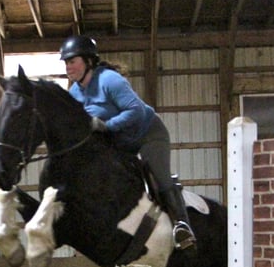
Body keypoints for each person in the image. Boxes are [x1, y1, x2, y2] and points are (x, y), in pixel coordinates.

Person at [59, 34, 197, 251]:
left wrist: (108, 126)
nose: (68, 67)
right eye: (66, 62)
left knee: (160, 178)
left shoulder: (109, 80)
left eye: (72, 61)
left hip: (148, 134)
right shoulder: (75, 92)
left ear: (88, 61)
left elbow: (136, 110)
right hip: (121, 142)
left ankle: (182, 226)